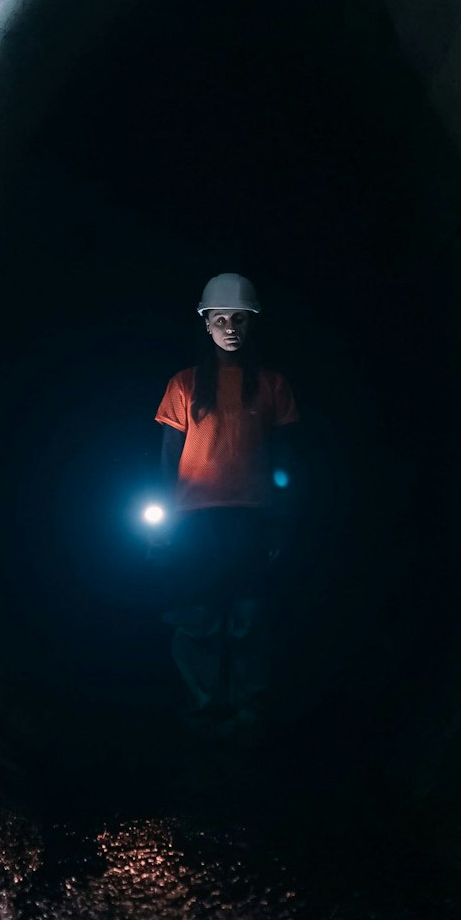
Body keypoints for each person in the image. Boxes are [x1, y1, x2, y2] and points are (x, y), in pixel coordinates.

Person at [153, 272, 300, 732]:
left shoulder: (272, 385)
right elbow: (168, 457)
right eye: (220, 319)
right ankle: (204, 708)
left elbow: (285, 457)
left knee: (248, 617)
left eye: (239, 318)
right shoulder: (184, 384)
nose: (230, 327)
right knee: (197, 616)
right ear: (206, 323)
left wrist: (281, 516)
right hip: (195, 519)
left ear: (252, 323)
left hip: (252, 517)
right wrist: (165, 519)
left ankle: (248, 712)